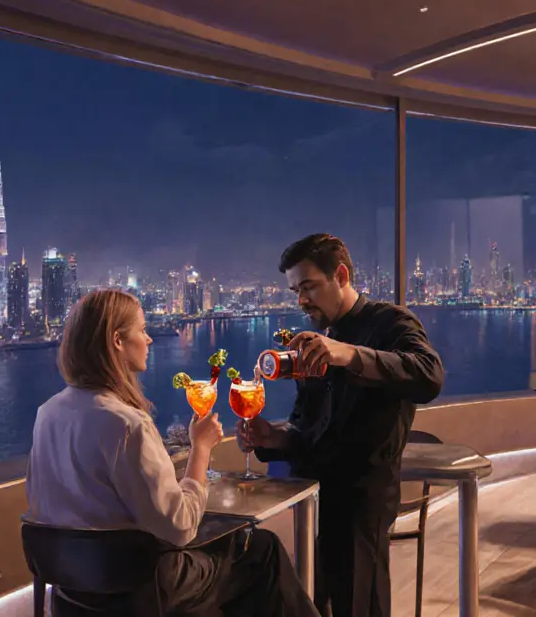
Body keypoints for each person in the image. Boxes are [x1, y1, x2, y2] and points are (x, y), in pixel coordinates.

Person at [26, 288, 318, 616]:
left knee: (230, 554)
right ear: (117, 341)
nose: (149, 339)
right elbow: (179, 528)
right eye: (142, 330)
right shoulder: (127, 424)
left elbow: (47, 507)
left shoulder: (47, 414)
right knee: (261, 551)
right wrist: (200, 448)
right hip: (142, 590)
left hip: (74, 595)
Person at [238, 234, 445, 617]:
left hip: (361, 501)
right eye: (296, 291)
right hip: (313, 497)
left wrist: (349, 354)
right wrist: (274, 438)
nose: (301, 300)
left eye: (309, 287)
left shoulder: (391, 322)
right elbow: (308, 426)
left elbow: (429, 376)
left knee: (360, 605)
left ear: (342, 275)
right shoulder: (318, 339)